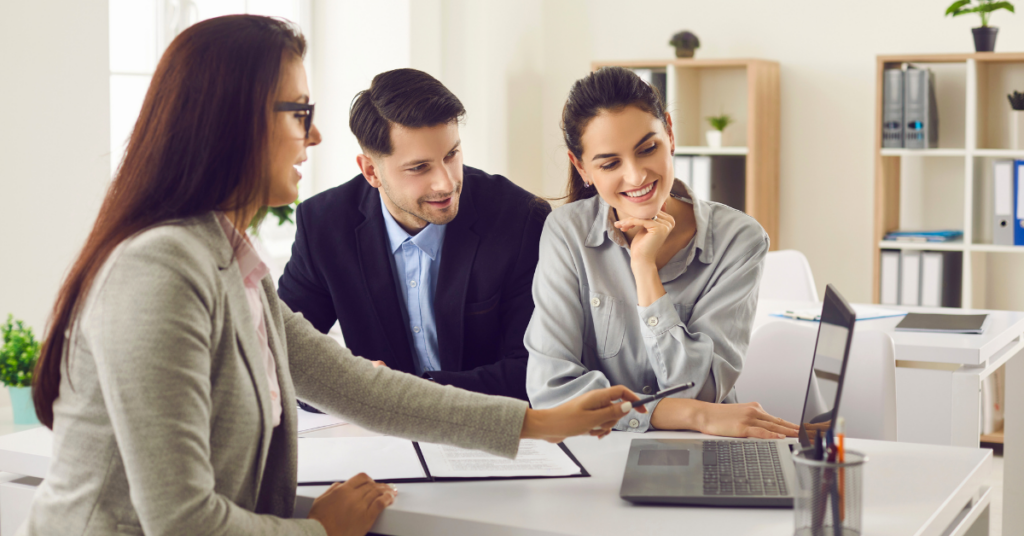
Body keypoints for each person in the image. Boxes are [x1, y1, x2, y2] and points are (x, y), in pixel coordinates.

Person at [22, 17, 642, 536]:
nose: (313, 136)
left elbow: (355, 385)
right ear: (231, 125)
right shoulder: (158, 269)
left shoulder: (226, 255)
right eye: (298, 113)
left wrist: (540, 421)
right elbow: (182, 521)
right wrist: (317, 530)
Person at [526, 66, 799, 439]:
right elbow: (551, 393)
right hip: (599, 452)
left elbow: (702, 390)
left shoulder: (739, 239)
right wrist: (690, 415)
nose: (637, 176)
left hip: (705, 448)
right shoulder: (566, 233)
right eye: (610, 163)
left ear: (669, 133)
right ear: (582, 167)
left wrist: (644, 270)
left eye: (647, 149)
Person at [277, 68, 549, 401]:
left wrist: (402, 395)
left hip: (491, 432)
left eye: (451, 155)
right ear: (371, 171)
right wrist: (352, 386)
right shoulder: (324, 225)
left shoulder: (518, 218)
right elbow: (279, 356)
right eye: (419, 168)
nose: (446, 183)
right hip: (380, 439)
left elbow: (535, 370)